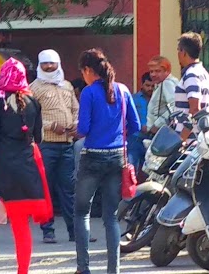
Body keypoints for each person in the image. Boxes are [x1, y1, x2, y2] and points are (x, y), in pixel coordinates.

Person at [0, 59, 51, 274]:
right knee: (20, 225)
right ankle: (23, 271)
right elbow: (39, 138)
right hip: (25, 169)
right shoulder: (33, 101)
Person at [74, 48, 141, 274]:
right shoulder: (123, 90)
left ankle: (83, 268)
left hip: (93, 156)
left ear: (88, 70)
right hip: (117, 157)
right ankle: (114, 270)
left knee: (81, 212)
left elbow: (83, 129)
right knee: (111, 217)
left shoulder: (88, 92)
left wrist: (74, 131)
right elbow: (136, 125)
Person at [30, 49, 78, 244]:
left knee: (69, 189)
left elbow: (75, 108)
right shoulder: (33, 88)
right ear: (39, 65)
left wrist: (76, 123)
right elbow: (31, 116)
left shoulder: (66, 85)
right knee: (46, 189)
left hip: (67, 144)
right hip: (46, 145)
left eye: (52, 63)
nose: (49, 66)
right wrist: (51, 125)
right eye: (45, 63)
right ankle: (47, 231)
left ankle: (75, 231)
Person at [173, 33, 209, 133]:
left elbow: (195, 110)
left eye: (178, 50)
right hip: (201, 136)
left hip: (190, 139)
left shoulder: (191, 75)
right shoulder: (203, 73)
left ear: (183, 52)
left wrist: (182, 137)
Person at [143, 56, 179, 138]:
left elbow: (174, 107)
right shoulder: (163, 83)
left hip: (161, 132)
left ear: (167, 71)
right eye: (151, 71)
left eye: (157, 71)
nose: (153, 74)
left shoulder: (167, 83)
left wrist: (157, 124)